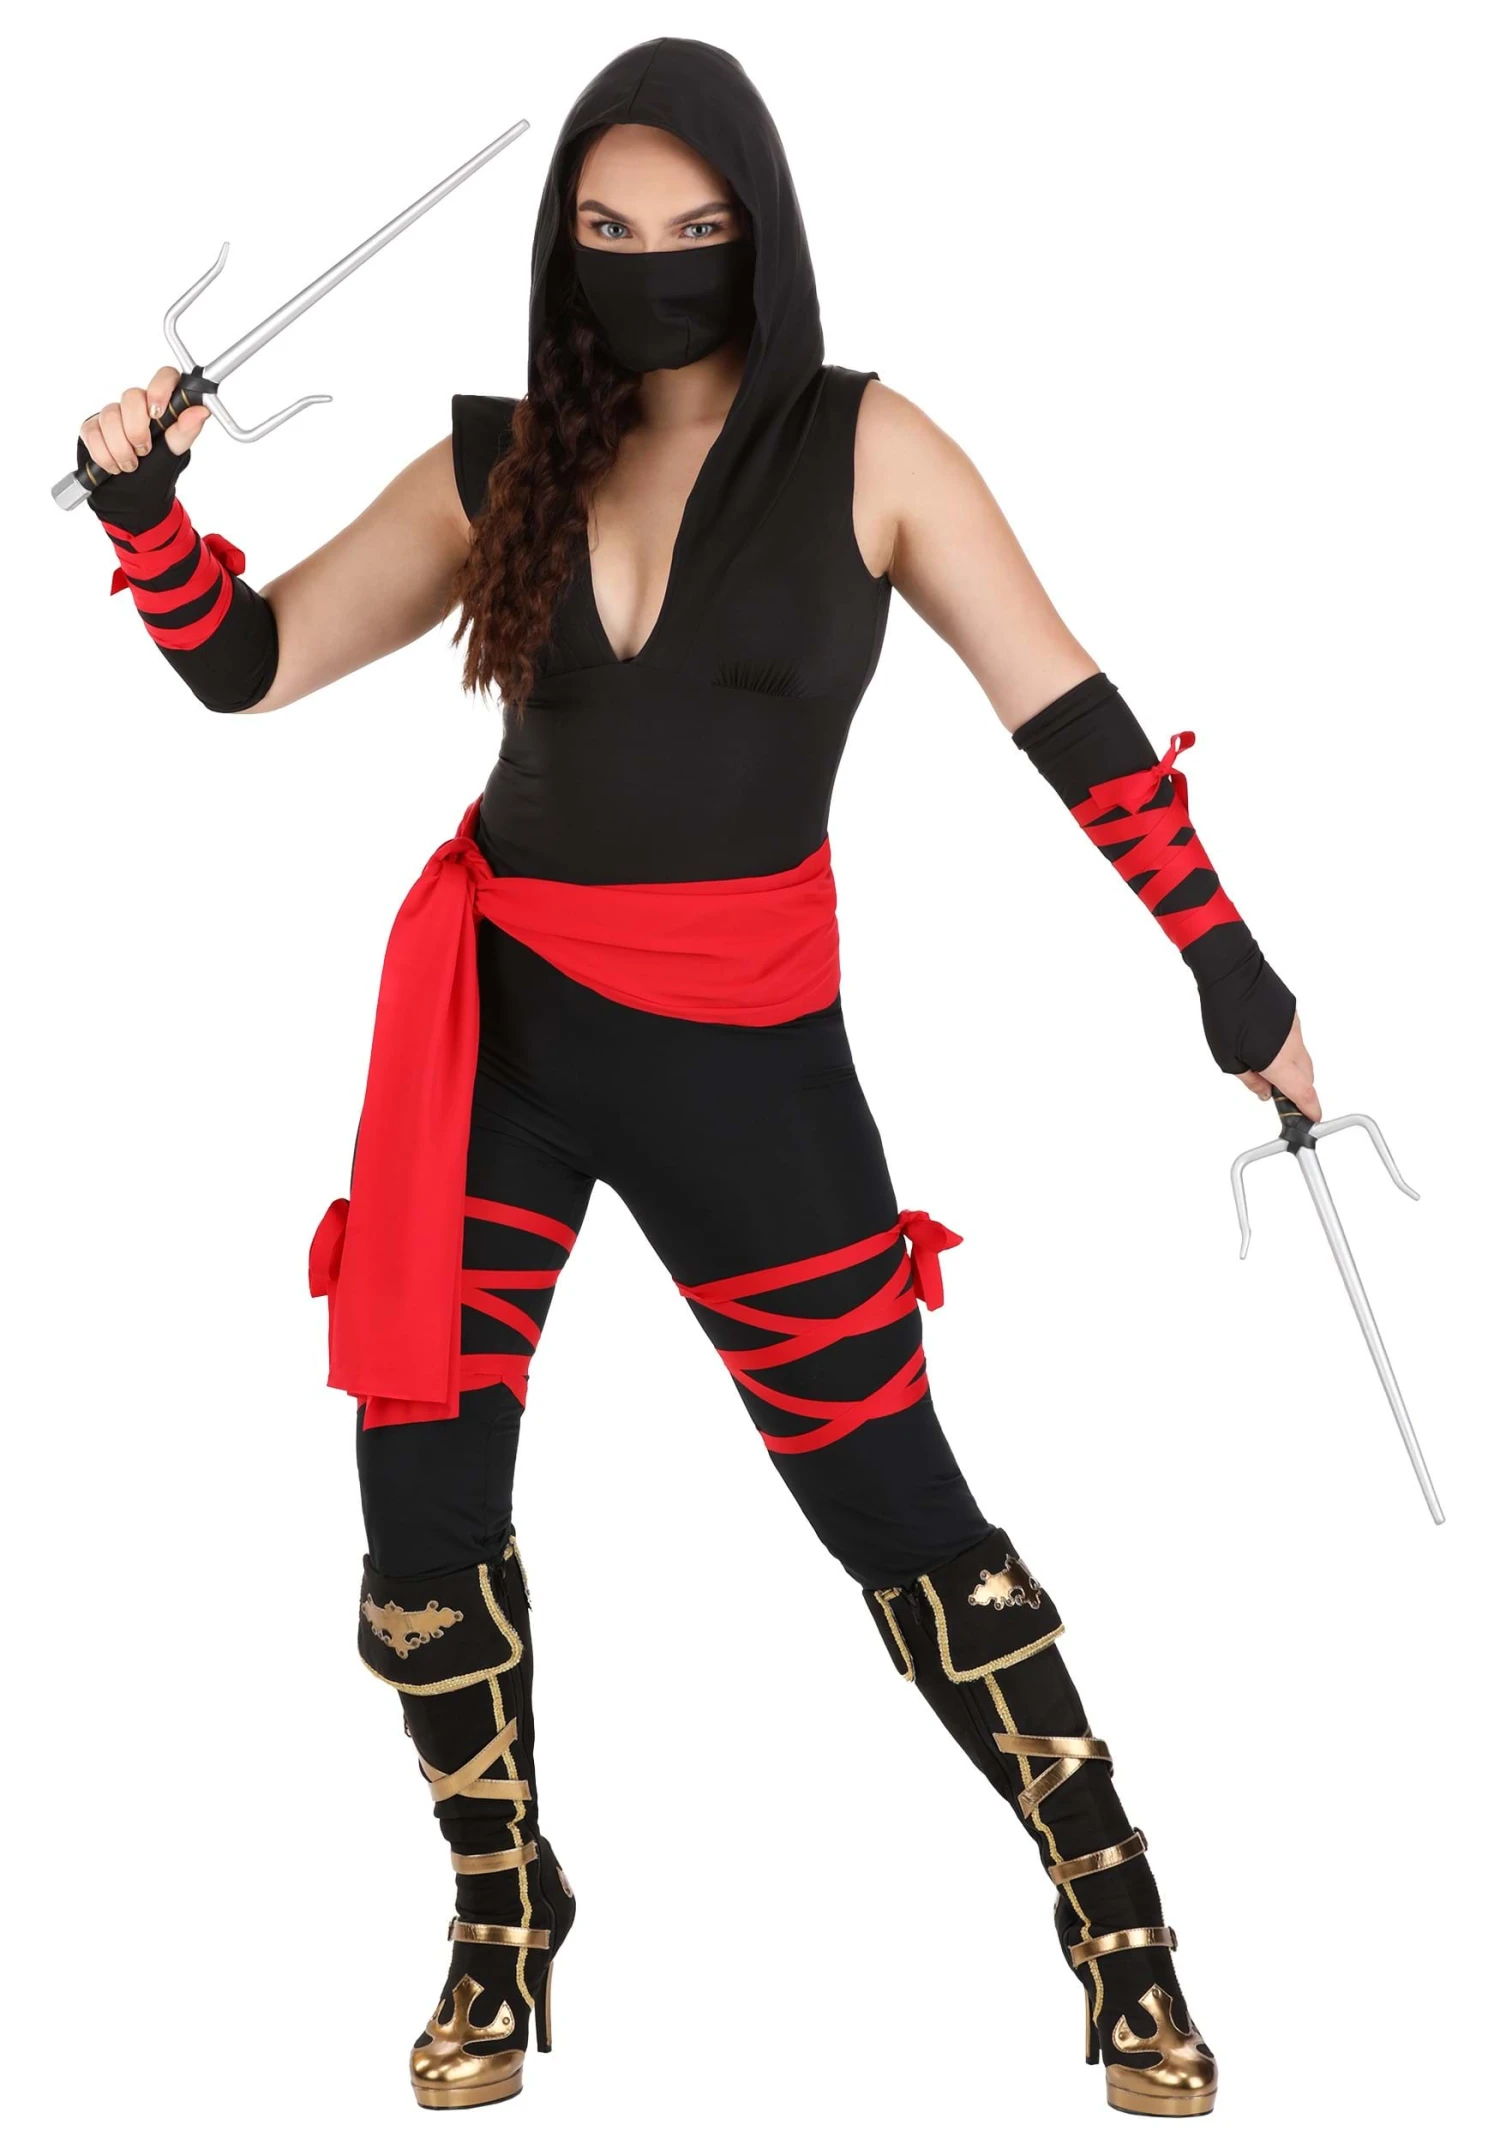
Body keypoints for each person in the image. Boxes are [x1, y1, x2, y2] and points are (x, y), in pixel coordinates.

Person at [73, 36, 1316, 2120]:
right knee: (417, 1513)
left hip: (747, 1059)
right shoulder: (499, 465)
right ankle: (502, 1914)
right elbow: (251, 661)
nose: (649, 263)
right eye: (607, 228)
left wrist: (1231, 968)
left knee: (897, 1511)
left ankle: (1122, 1926)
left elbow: (1073, 717)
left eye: (693, 229)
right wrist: (145, 513)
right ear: (560, 244)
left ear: (761, 235)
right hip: (505, 1034)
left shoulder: (869, 448)